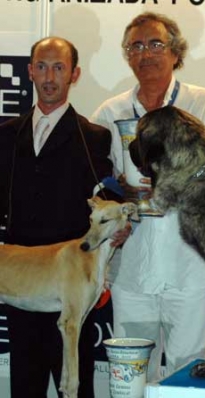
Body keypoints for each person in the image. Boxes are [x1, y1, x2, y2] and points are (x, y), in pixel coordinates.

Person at [90, 12, 205, 381]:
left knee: (187, 369)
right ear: (127, 56)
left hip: (189, 264)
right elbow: (93, 182)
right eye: (136, 46)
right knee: (130, 369)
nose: (146, 53)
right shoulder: (110, 112)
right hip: (132, 266)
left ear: (175, 52)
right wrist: (116, 191)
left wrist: (178, 181)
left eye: (156, 44)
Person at [0, 37, 117, 398]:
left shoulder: (94, 137)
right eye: (42, 66)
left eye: (59, 67)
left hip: (70, 279)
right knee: (24, 386)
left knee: (75, 386)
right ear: (30, 71)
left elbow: (106, 198)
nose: (49, 77)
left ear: (74, 74)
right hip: (20, 277)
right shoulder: (5, 135)